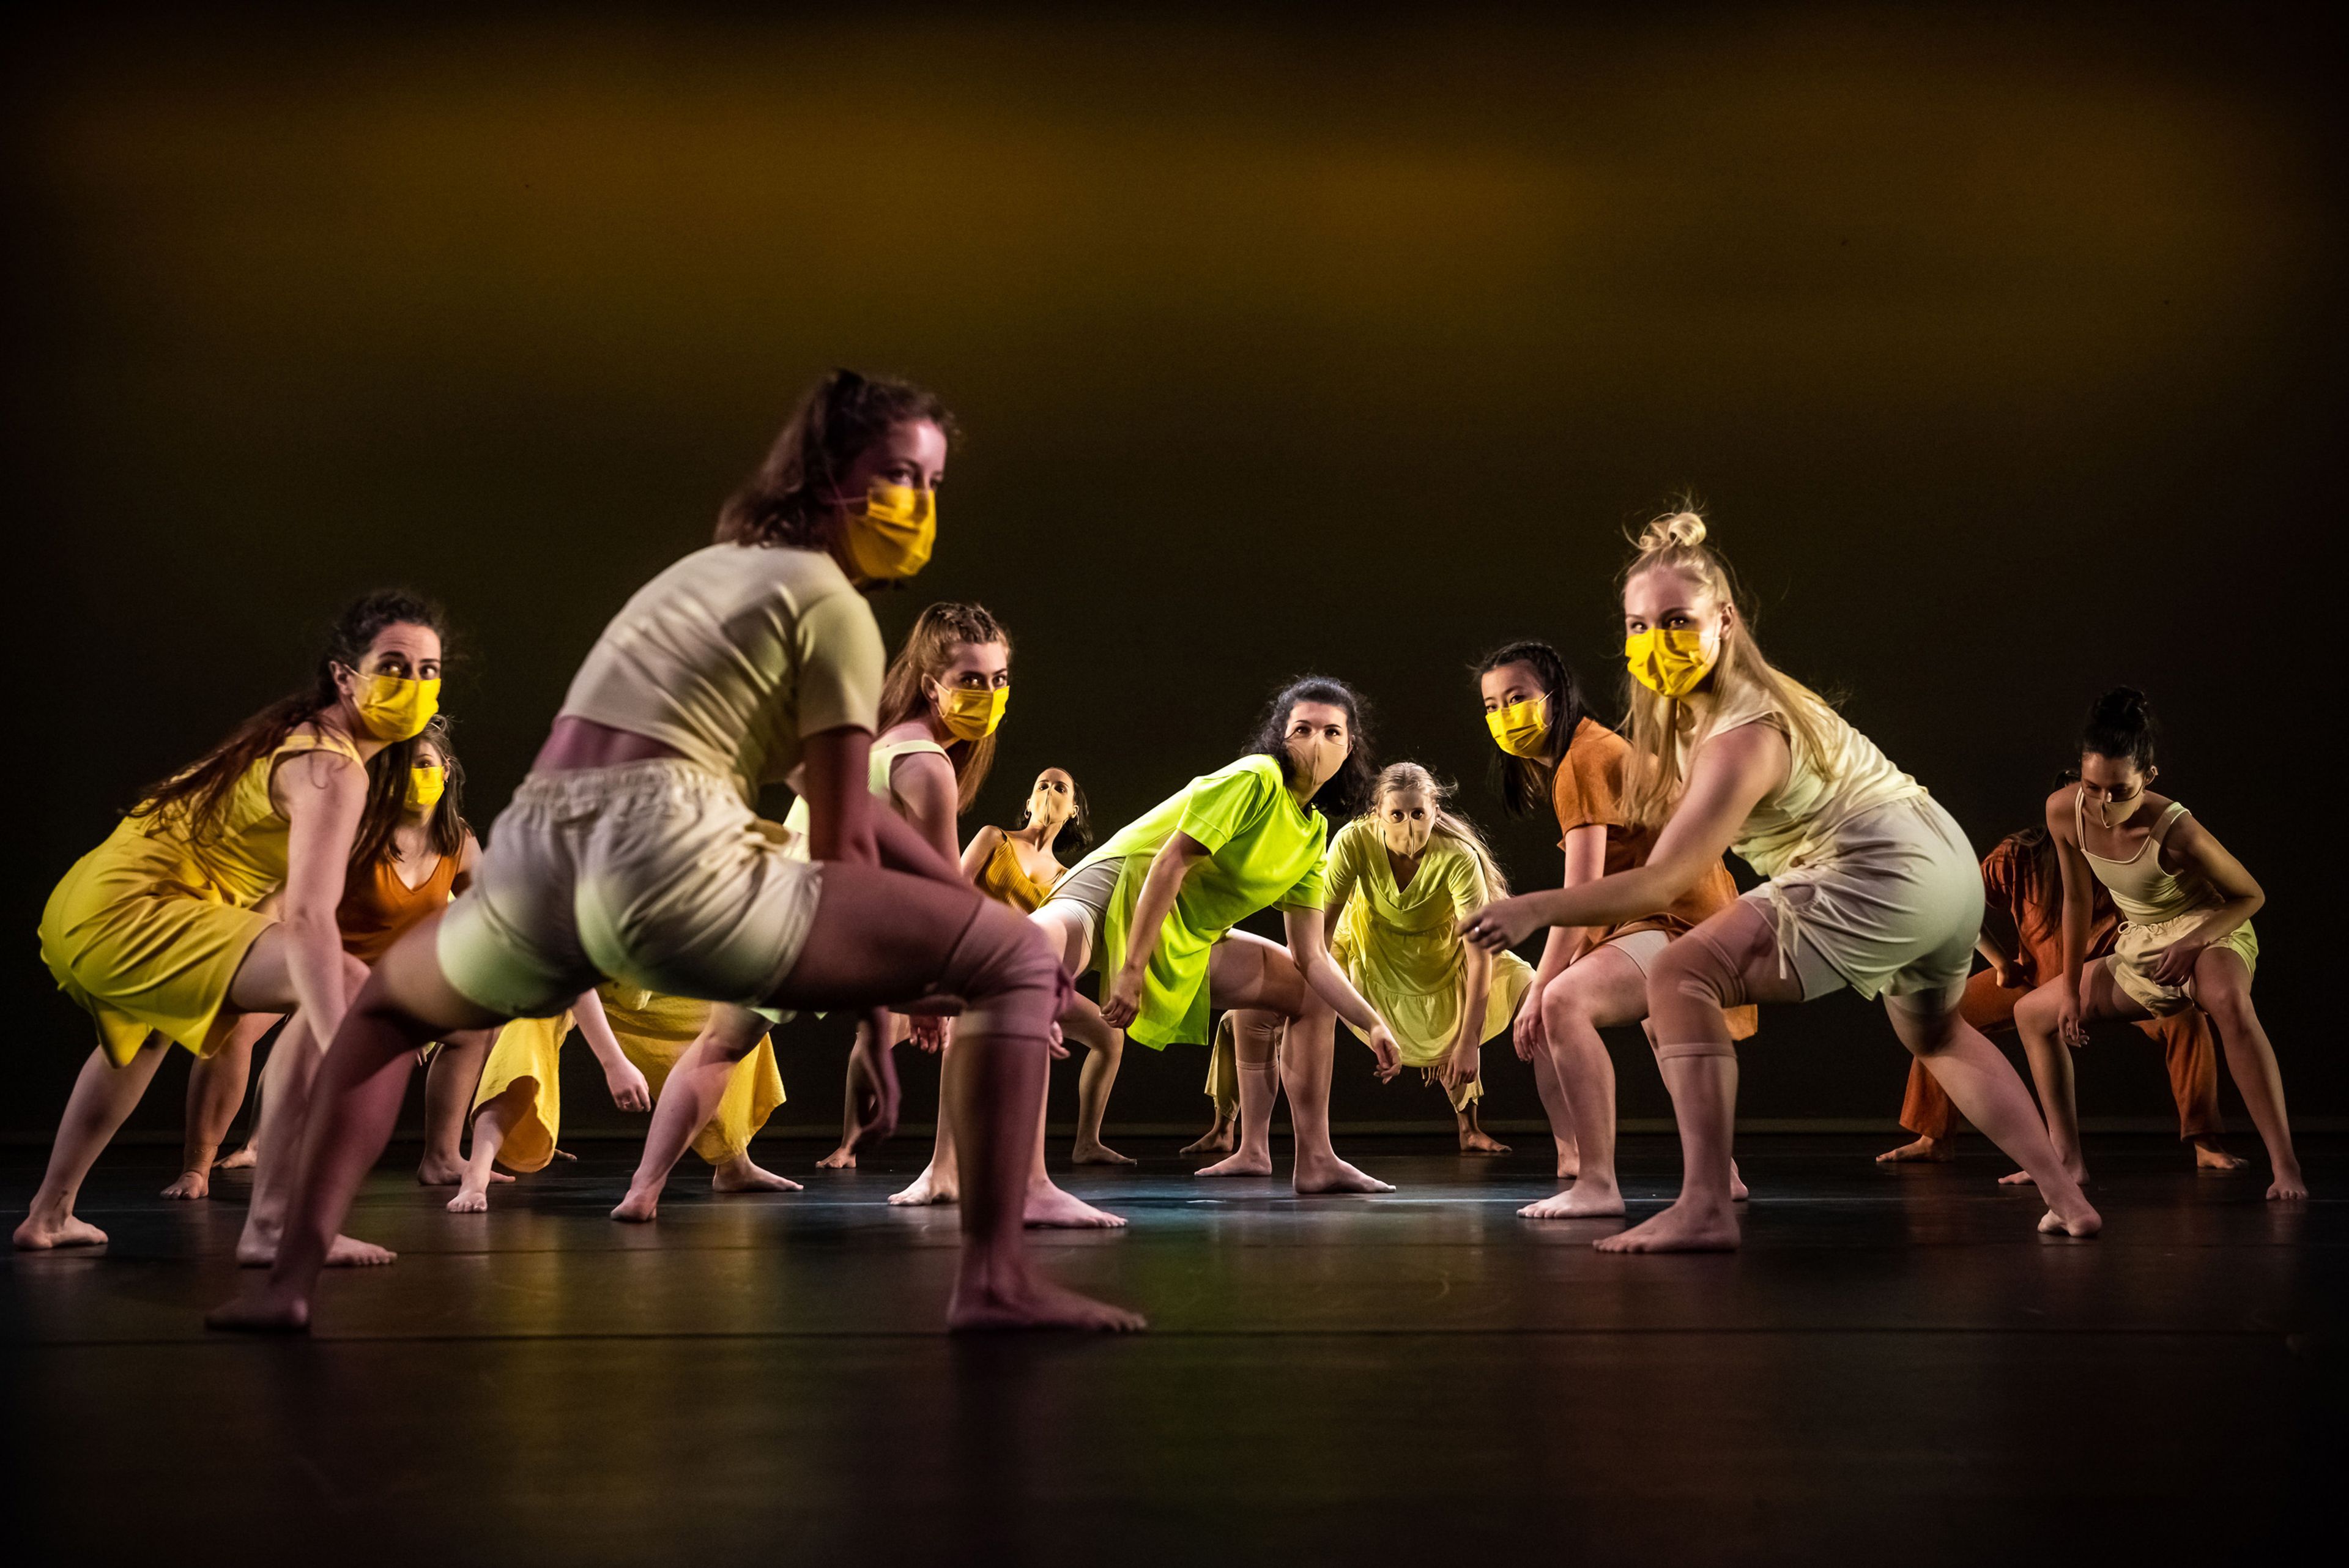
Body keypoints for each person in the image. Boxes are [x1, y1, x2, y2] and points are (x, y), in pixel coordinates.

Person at [209, 368, 1141, 1333]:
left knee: (382, 1012)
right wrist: (890, 1004)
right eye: (900, 474)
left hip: (539, 852)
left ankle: (284, 1280)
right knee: (1022, 954)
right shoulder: (832, 609)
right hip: (670, 861)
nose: (919, 503)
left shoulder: (696, 579)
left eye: (934, 482)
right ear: (829, 475)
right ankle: (994, 1281)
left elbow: (786, 773)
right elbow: (845, 837)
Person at [1463, 508, 2099, 1249]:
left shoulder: (1741, 732)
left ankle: (1704, 1204)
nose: (1652, 641)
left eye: (1676, 621)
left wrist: (1536, 908)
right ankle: (2068, 1197)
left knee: (1680, 974)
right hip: (1944, 864)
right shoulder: (1743, 703)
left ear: (1725, 620)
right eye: (1637, 626)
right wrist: (1985, 942)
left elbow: (1666, 882)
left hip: (1879, 871)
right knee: (1938, 1033)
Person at [20, 592, 445, 1265]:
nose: (415, 685)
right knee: (342, 980)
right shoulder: (331, 768)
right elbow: (307, 918)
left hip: (96, 903)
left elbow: (271, 893)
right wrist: (343, 1038)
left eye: (429, 671)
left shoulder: (309, 742)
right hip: (132, 908)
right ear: (344, 676)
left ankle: (47, 1215)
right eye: (394, 666)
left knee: (141, 1042)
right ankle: (274, 1225)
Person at [1039, 675, 1403, 1194]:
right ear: (1281, 736)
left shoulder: (1312, 835)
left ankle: (1315, 1159)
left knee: (1309, 995)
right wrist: (1132, 968)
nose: (1316, 743)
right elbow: (1171, 860)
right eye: (1303, 728)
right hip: (1118, 888)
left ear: (1350, 747)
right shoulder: (1256, 778)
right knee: (1021, 962)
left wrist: (1371, 1023)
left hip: (1185, 931)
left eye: (1331, 732)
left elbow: (1312, 956)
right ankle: (959, 1163)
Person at [168, 717, 508, 1195]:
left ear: (447, 770)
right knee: (233, 1026)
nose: (415, 776)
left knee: (476, 1025)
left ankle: (442, 1157)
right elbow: (280, 903)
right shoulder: (356, 832)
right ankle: (196, 1169)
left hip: (389, 982)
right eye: (400, 767)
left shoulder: (460, 843)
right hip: (319, 962)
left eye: (425, 764)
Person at [1474, 640, 1756, 1213]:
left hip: (1682, 917)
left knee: (1563, 1002)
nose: (1505, 715)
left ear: (1555, 697)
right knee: (1665, 1031)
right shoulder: (1582, 755)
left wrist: (1540, 994)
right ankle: (1720, 1173)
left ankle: (1596, 1183)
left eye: (1518, 698)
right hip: (1673, 914)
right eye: (1492, 706)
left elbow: (1578, 896)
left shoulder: (1583, 757)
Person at [2006, 688, 2303, 1198]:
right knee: (2033, 1014)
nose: (2103, 804)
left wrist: (2194, 943)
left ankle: (2286, 1167)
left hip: (2211, 926)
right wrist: (2073, 989)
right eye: (2093, 786)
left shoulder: (2177, 829)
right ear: (2081, 771)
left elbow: (2250, 895)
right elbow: (2076, 900)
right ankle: (2067, 1160)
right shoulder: (2064, 811)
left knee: (2229, 1002)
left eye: (2120, 791)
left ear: (2149, 778)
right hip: (2143, 941)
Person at [1876, 817, 2236, 1170]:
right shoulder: (2019, 855)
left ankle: (2205, 1143)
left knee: (2186, 1022)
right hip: (2034, 979)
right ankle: (1933, 1139)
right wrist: (2002, 963)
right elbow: (1959, 903)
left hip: (2109, 983)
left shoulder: (2122, 859)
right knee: (1942, 1020)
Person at [1312, 762, 1532, 1150]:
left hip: (1441, 956)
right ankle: (1233, 1126)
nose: (1408, 826)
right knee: (1284, 998)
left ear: (1434, 811)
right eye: (1396, 815)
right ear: (1377, 813)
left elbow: (1479, 957)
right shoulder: (1352, 842)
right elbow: (1320, 934)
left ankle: (1472, 1130)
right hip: (1372, 951)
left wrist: (1468, 1043)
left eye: (1418, 814)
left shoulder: (1457, 856)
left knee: (1533, 989)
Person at [445, 990, 652, 1213]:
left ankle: (653, 1180)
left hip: (660, 994)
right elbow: (575, 979)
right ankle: (477, 1172)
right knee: (529, 1024)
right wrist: (614, 1063)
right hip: (579, 983)